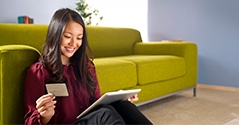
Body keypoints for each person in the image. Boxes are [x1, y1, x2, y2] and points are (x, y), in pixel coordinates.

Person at [23, 8, 152, 125]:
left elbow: (96, 103)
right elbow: (29, 121)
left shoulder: (87, 67)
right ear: (55, 35)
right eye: (68, 37)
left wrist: (118, 98)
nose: (74, 43)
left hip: (88, 120)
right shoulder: (39, 72)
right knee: (105, 114)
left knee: (124, 106)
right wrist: (44, 115)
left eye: (79, 38)